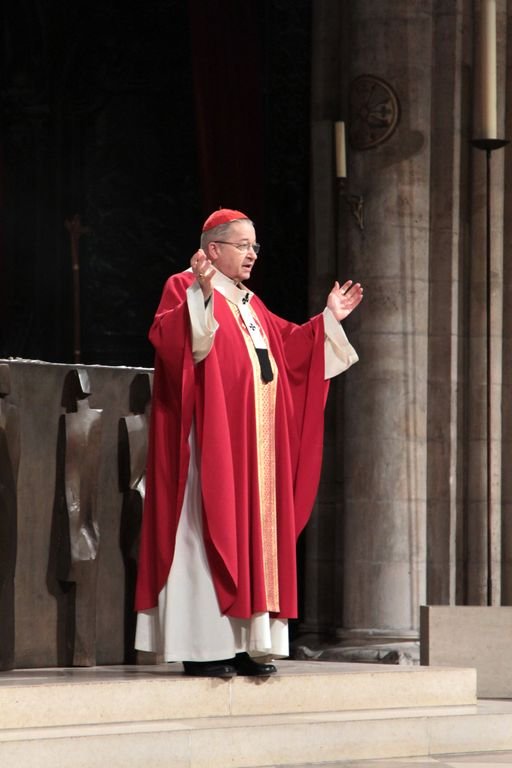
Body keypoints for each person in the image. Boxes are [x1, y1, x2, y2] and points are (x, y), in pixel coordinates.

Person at [134, 208, 363, 677]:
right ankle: (203, 646)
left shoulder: (250, 304)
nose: (252, 255)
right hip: (207, 447)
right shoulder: (185, 286)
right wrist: (200, 291)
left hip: (255, 452)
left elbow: (291, 349)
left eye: (255, 246)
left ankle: (246, 644)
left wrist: (328, 322)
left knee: (254, 540)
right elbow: (176, 342)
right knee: (207, 535)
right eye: (243, 245)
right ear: (213, 248)